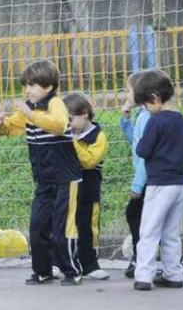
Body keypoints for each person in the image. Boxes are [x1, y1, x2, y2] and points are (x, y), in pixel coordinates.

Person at [0, 60, 82, 286]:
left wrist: (30, 115)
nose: (27, 90)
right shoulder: (29, 109)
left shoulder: (56, 103)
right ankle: (42, 271)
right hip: (44, 180)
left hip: (65, 178)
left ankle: (72, 271)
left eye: (32, 85)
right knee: (38, 226)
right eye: (26, 85)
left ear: (48, 86)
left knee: (63, 228)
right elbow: (11, 127)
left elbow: (60, 125)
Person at [132, 70, 183, 291]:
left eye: (145, 106)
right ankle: (174, 274)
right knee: (171, 233)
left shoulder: (155, 122)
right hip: (180, 185)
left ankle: (144, 276)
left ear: (155, 99)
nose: (146, 110)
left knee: (149, 231)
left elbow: (143, 150)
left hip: (159, 185)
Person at [63, 92, 109, 280]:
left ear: (84, 114)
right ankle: (62, 262)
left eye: (70, 119)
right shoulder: (66, 134)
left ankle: (90, 264)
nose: (67, 124)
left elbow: (89, 161)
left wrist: (72, 141)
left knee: (87, 226)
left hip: (88, 189)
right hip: (67, 188)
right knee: (65, 225)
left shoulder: (98, 137)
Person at [120, 72, 149, 279]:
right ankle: (140, 257)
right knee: (141, 216)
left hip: (148, 179)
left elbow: (145, 156)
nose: (126, 93)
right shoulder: (142, 116)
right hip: (147, 178)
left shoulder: (148, 118)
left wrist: (138, 185)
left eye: (128, 89)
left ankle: (140, 258)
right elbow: (134, 141)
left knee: (135, 214)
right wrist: (126, 117)